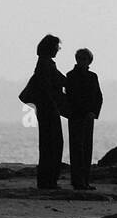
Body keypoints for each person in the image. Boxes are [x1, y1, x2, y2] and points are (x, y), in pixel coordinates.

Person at [20, 34, 67, 190]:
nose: (58, 50)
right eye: (57, 47)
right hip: (49, 109)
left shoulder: (44, 64)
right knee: (52, 144)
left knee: (49, 144)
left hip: (46, 109)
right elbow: (49, 87)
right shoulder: (46, 65)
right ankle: (48, 180)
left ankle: (47, 180)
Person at [65, 48, 103, 191]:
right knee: (76, 149)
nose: (82, 61)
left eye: (84, 59)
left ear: (89, 61)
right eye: (80, 58)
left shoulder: (93, 76)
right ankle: (77, 181)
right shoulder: (71, 76)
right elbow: (71, 98)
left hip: (88, 117)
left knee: (87, 148)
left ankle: (85, 180)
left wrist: (93, 112)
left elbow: (98, 96)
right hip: (76, 116)